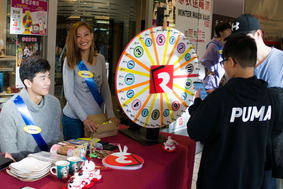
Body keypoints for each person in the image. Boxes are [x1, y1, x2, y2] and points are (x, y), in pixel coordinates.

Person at [187, 34, 283, 188]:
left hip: (218, 180)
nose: (224, 66)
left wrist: (198, 103)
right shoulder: (270, 97)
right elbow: (275, 130)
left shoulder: (219, 98)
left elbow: (195, 131)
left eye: (224, 62)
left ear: (231, 62)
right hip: (252, 180)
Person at [228, 14, 283, 189]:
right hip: (243, 149)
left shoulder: (280, 61)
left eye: (244, 38)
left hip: (270, 152)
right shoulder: (236, 65)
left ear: (259, 34)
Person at [62, 21, 119, 141]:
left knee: (94, 154)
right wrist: (84, 119)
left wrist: (111, 114)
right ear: (74, 39)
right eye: (78, 36)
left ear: (92, 36)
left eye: (86, 34)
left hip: (96, 118)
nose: (83, 39)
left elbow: (105, 88)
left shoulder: (101, 59)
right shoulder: (70, 60)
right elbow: (69, 94)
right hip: (74, 120)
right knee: (75, 156)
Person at [0, 57, 61, 161]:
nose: (48, 82)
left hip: (49, 165)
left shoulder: (54, 104)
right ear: (28, 83)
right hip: (21, 169)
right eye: (42, 78)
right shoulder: (10, 109)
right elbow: (9, 152)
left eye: (48, 77)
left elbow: (56, 140)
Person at [201, 21, 231, 91]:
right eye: (227, 30)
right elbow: (204, 60)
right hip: (211, 84)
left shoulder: (225, 46)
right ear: (221, 33)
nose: (230, 32)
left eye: (230, 29)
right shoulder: (213, 46)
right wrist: (212, 69)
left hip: (220, 84)